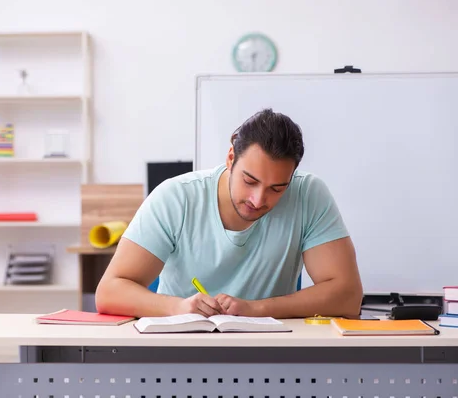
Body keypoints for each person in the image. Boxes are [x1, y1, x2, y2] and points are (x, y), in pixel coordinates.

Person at [95, 108, 363, 319]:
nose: (258, 200)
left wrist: (255, 309)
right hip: (179, 350)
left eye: (277, 188)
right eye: (249, 181)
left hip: (272, 356)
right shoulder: (176, 196)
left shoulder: (308, 194)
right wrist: (178, 308)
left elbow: (347, 297)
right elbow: (109, 292)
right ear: (231, 157)